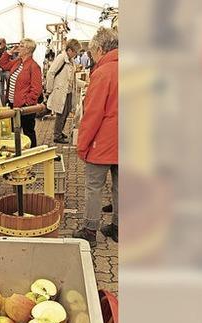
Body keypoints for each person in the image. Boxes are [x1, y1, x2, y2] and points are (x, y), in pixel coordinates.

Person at [72, 28, 119, 247]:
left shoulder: (103, 73)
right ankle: (118, 227)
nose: (92, 57)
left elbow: (93, 114)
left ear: (100, 49)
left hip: (103, 141)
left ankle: (90, 230)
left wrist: (82, 145)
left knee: (94, 186)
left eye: (92, 53)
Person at [0, 38, 43, 147]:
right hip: (13, 105)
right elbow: (2, 64)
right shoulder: (18, 62)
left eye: (21, 45)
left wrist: (27, 103)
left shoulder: (34, 66)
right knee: (15, 131)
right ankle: (18, 152)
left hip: (25, 107)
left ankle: (32, 154)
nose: (19, 47)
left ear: (28, 50)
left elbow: (36, 89)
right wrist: (9, 52)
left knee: (28, 131)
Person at [45, 39, 82, 144]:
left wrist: (83, 84)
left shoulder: (71, 61)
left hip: (68, 91)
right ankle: (57, 135)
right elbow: (51, 73)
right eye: (75, 52)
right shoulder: (61, 58)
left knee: (65, 113)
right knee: (61, 113)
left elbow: (73, 78)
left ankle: (60, 132)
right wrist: (49, 89)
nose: (76, 54)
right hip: (61, 91)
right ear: (70, 50)